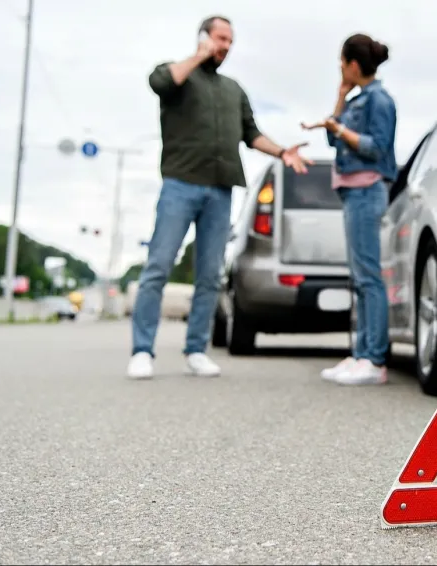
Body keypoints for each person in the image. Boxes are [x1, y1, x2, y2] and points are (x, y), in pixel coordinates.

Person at [127, 15, 312, 380]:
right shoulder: (177, 74)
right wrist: (199, 55)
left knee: (210, 275)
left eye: (230, 41)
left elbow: (251, 133)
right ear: (203, 37)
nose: (225, 46)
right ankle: (142, 351)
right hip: (180, 185)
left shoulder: (233, 89)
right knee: (158, 267)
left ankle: (196, 350)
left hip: (220, 190)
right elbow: (160, 82)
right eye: (220, 38)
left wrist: (281, 153)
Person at [301, 33, 397, 386]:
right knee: (359, 278)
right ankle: (360, 355)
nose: (340, 69)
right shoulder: (357, 99)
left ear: (354, 64)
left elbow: (377, 147)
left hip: (367, 190)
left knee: (369, 278)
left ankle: (374, 360)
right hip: (353, 193)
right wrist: (340, 99)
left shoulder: (380, 100)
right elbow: (333, 139)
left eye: (343, 63)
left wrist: (338, 127)